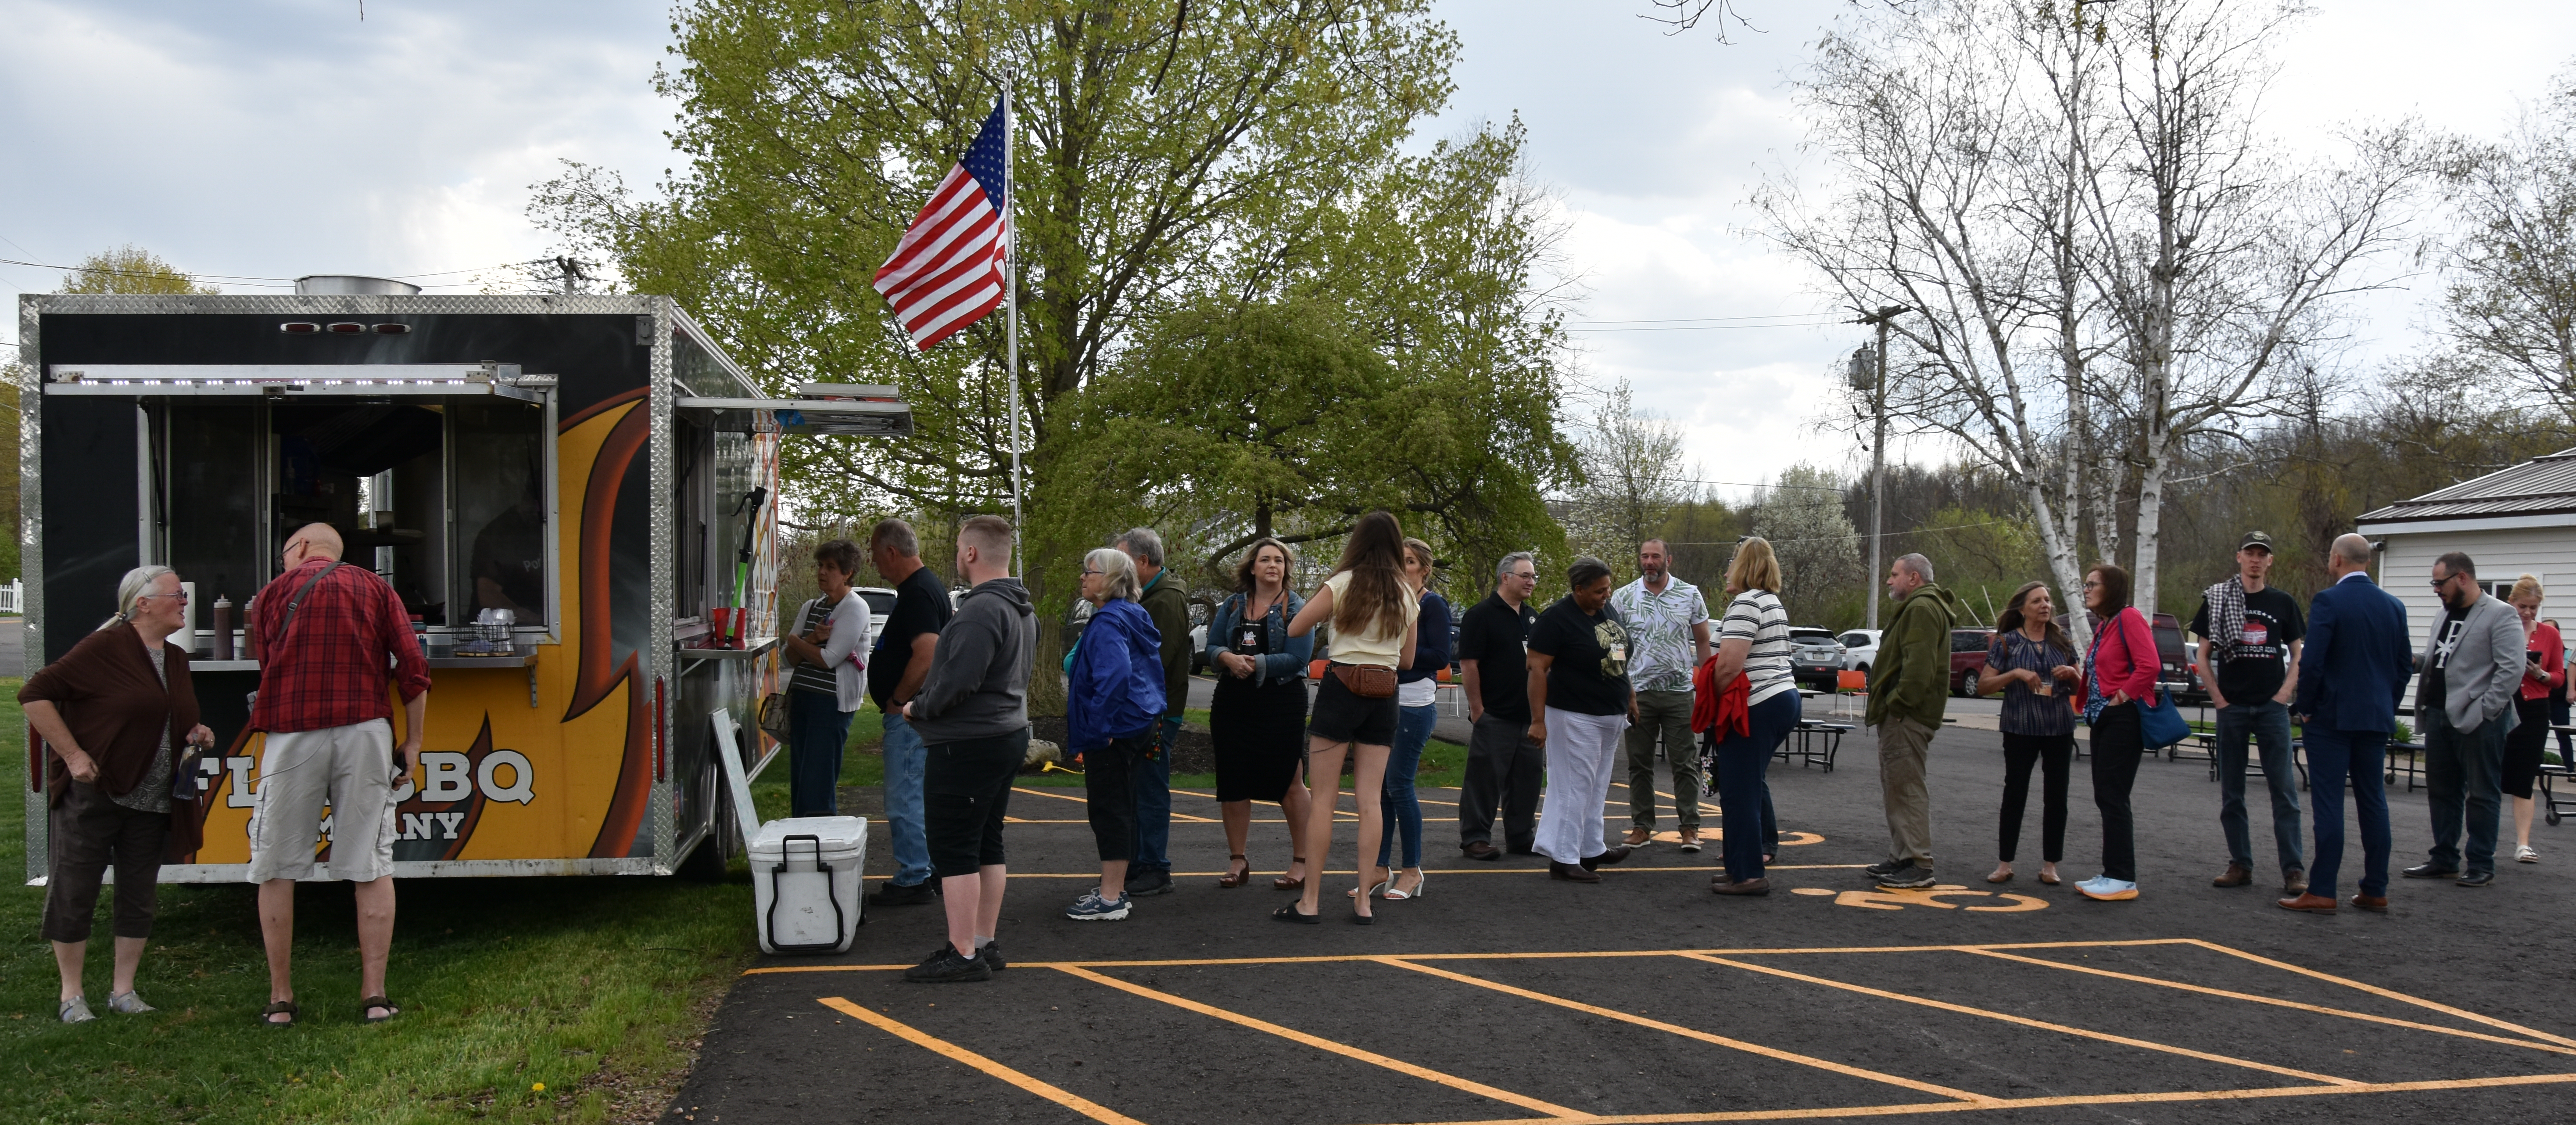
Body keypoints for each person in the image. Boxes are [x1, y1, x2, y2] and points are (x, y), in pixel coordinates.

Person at [247, 524, 433, 1026]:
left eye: (286, 551)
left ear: (302, 547)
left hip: (292, 733)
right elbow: (413, 669)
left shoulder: (270, 594)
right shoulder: (377, 588)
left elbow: (265, 664)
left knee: (276, 865)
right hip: (366, 732)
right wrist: (412, 743)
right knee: (370, 862)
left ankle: (281, 999)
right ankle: (374, 995)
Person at [25, 566, 214, 1024]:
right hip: (97, 792)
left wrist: (197, 733)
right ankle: (72, 995)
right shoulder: (104, 648)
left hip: (153, 799)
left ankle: (123, 991)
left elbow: (168, 715)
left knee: (138, 894)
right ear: (143, 604)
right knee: (75, 889)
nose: (185, 602)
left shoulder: (175, 658)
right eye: (177, 595)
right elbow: (35, 694)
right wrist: (72, 756)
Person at [899, 515, 1035, 982]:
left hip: (970, 743)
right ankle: (982, 943)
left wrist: (918, 708)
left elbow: (960, 680)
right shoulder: (1020, 607)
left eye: (960, 547)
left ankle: (962, 954)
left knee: (955, 846)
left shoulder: (981, 611)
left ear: (972, 553)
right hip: (1003, 735)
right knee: (985, 842)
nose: (958, 555)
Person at [1279, 510, 1419, 924]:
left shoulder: (1341, 583)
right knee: (1370, 801)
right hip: (1385, 693)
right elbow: (1407, 659)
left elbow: (1295, 627)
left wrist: (1337, 628)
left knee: (1323, 799)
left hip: (1341, 688)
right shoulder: (1406, 593)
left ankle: (1311, 901)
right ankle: (1363, 902)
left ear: (1356, 542)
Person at [2281, 534, 2413, 913]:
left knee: (2329, 803)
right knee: (2373, 801)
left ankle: (2322, 888)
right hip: (2374, 716)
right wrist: (2387, 702)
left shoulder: (2328, 600)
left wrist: (2305, 706)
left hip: (2331, 717)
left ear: (2336, 560)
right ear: (2367, 562)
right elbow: (2404, 664)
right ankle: (2375, 887)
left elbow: (2314, 661)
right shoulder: (2393, 606)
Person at [2189, 531, 2308, 895]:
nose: (2256, 559)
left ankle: (2293, 870)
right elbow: (2202, 655)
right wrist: (2219, 700)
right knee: (2233, 792)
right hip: (2233, 708)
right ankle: (2240, 864)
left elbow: (2299, 653)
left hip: (2271, 709)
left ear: (2270, 561)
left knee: (2284, 791)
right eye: (2250, 553)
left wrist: (2284, 694)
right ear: (2238, 557)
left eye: (2262, 554)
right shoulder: (2218, 600)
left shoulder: (2282, 602)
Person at [2405, 552, 2524, 888]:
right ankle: (2443, 858)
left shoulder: (2501, 614)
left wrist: (2486, 710)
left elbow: (2511, 669)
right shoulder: (2444, 614)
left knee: (2482, 793)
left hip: (2479, 719)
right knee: (2442, 791)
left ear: (2461, 578)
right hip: (2438, 714)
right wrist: (2415, 660)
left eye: (2438, 582)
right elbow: (2442, 658)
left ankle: (2481, 863)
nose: (2434, 589)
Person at [1063, 549, 1168, 921]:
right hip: (1139, 721)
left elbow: (1116, 675)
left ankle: (1110, 898)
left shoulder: (1108, 621)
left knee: (1109, 809)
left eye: (1088, 572)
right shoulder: (1132, 613)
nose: (1083, 577)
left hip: (1116, 729)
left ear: (1108, 580)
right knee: (1122, 804)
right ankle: (1115, 887)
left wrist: (1100, 726)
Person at [1203, 537, 1314, 888]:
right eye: (1265, 559)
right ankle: (1238, 860)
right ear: (1252, 567)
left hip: (1281, 702)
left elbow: (1299, 659)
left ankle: (1301, 861)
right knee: (1233, 781)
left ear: (1286, 568)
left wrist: (1255, 663)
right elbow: (1211, 646)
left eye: (1279, 560)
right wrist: (1226, 658)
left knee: (1290, 781)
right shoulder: (1233, 604)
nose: (1273, 565)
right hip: (1233, 702)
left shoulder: (1298, 607)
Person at [1529, 556, 1637, 884]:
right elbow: (1536, 669)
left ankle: (1591, 847)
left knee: (1597, 784)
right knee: (1574, 786)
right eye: (1599, 590)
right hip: (1573, 714)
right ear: (1578, 589)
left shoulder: (1606, 610)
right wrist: (1537, 720)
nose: (1606, 595)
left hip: (1609, 713)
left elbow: (1617, 656)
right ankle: (1563, 857)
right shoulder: (1557, 619)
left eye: (1608, 589)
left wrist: (1629, 696)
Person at [1863, 553, 1966, 890]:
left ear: (1914, 578)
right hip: (1904, 715)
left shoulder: (1922, 609)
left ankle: (1918, 863)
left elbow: (1918, 668)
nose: (1889, 581)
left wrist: (1897, 706)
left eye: (1894, 574)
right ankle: (1902, 856)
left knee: (1906, 788)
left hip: (1906, 717)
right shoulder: (1921, 606)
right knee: (1897, 786)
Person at [1706, 539, 1798, 896]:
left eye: (1732, 562)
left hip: (1756, 702)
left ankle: (1748, 875)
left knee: (1738, 791)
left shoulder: (1746, 602)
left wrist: (1707, 700)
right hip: (1780, 697)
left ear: (1745, 566)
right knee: (1744, 785)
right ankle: (1738, 867)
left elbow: (1729, 664)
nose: (1727, 570)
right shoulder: (1770, 601)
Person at [867, 519, 950, 906]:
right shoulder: (923, 587)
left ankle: (914, 876)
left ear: (891, 552)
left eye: (874, 553)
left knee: (904, 797)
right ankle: (926, 868)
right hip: (921, 712)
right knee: (918, 793)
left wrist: (899, 700)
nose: (873, 563)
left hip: (910, 715)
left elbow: (928, 653)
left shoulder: (918, 592)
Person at [1610, 539, 1713, 851]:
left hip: (1679, 691)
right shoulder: (1623, 596)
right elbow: (1615, 643)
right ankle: (1642, 826)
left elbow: (1704, 641)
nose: (1649, 562)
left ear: (1668, 559)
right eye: (1644, 556)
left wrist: (1707, 683)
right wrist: (1619, 683)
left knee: (1684, 762)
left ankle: (1689, 828)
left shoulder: (1689, 593)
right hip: (1637, 692)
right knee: (1639, 763)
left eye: (1655, 556)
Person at [1978, 581, 2080, 887]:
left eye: (2047, 600)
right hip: (2020, 727)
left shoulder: (2062, 641)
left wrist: (2074, 675)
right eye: (2037, 601)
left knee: (2056, 796)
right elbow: (1984, 685)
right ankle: (2004, 863)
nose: (2045, 606)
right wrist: (2015, 674)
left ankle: (2050, 865)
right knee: (2015, 794)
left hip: (2059, 728)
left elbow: (2080, 688)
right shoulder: (2006, 642)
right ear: (2022, 608)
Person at [1368, 538, 1451, 900]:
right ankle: (1378, 868)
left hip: (1415, 703)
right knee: (1382, 790)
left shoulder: (1431, 605)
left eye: (1409, 562)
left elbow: (1439, 655)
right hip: (1383, 700)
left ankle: (1411, 870)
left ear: (1424, 569)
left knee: (1399, 785)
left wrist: (1397, 656)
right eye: (1396, 561)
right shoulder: (1386, 603)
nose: (1401, 568)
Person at [1114, 528, 1189, 899]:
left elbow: (1152, 661)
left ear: (1143, 562)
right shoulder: (1151, 596)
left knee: (1149, 788)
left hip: (1156, 711)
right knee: (1139, 786)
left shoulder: (1164, 600)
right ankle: (1140, 863)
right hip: (1148, 708)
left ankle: (1155, 866)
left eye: (1123, 561)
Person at [2076, 563, 2156, 903]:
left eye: (2092, 584)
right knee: (2106, 794)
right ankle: (2112, 871)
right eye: (2085, 583)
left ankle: (2121, 876)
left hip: (2122, 718)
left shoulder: (2128, 618)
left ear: (2111, 588)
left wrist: (2120, 697)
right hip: (2104, 719)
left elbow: (2149, 665)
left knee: (2112, 795)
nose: (2086, 588)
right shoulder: (2106, 625)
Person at [1457, 553, 1544, 861]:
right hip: (1495, 714)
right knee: (1484, 779)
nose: (1531, 581)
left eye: (1533, 576)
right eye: (1525, 576)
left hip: (1528, 717)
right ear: (1505, 577)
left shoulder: (1532, 617)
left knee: (1527, 779)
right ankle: (1475, 838)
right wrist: (1478, 709)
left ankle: (1521, 837)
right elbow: (1468, 664)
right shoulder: (1481, 614)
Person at [778, 539, 873, 818]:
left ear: (848, 573)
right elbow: (789, 658)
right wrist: (808, 640)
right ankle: (799, 842)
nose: (822, 572)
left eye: (831, 567)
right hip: (803, 699)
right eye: (820, 565)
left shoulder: (855, 608)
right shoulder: (811, 606)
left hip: (830, 703)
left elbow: (829, 659)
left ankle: (819, 846)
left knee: (818, 779)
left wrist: (796, 641)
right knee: (801, 775)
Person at [2504, 577, 2562, 864]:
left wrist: (2540, 674)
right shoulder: (2501, 626)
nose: (2527, 613)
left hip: (2534, 710)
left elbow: (2559, 677)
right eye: (2522, 606)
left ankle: (2523, 844)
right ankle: (2482, 842)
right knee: (2488, 774)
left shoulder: (2550, 634)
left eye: (2533, 608)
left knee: (2524, 776)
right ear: (2510, 602)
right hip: (2502, 706)